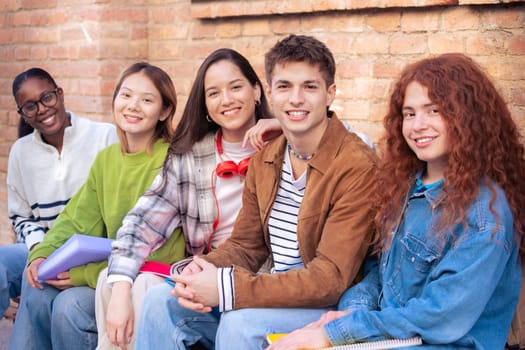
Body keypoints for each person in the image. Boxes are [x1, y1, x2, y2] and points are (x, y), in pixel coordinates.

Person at [134, 34, 379, 350]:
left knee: (241, 324)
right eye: (284, 86)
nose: (296, 98)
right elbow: (246, 246)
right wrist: (198, 270)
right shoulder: (266, 158)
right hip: (271, 296)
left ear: (330, 94)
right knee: (160, 299)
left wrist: (227, 289)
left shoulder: (355, 165)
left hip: (326, 307)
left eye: (310, 87)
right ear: (271, 94)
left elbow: (329, 279)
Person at [267, 53, 525, 350]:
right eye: (410, 113)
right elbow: (378, 270)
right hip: (387, 334)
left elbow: (440, 316)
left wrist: (339, 333)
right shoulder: (404, 186)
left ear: (467, 117)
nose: (418, 125)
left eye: (434, 111)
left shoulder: (484, 214)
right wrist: (352, 312)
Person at [99, 48, 273, 350]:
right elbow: (142, 221)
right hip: (206, 273)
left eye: (236, 87)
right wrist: (120, 287)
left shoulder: (288, 147)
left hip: (267, 280)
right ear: (205, 105)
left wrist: (285, 127)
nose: (227, 100)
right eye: (214, 93)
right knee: (121, 283)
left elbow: (348, 141)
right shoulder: (189, 156)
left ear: (256, 90)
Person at [20, 62, 185, 350]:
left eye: (147, 100)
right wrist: (42, 254)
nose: (133, 106)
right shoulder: (107, 159)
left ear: (165, 111)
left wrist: (83, 275)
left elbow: (166, 250)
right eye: (126, 95)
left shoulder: (172, 159)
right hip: (109, 270)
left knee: (69, 306)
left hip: (150, 275)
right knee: (37, 290)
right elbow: (76, 218)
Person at [3, 67, 117, 349]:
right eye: (30, 106)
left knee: (36, 287)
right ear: (22, 113)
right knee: (24, 268)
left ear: (60, 94)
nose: (42, 109)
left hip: (89, 249)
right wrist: (38, 250)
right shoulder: (21, 152)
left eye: (47, 98)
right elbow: (21, 217)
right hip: (41, 245)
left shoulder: (103, 137)